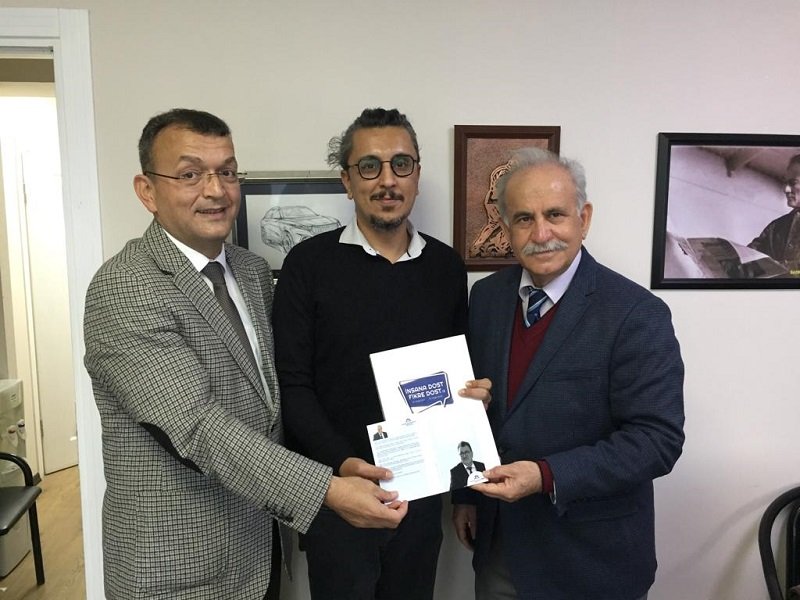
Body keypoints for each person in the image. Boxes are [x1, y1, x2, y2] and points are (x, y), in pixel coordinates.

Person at [83, 108, 409, 600]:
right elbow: (196, 426)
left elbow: (285, 388)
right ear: (147, 190)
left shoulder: (251, 271)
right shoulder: (125, 286)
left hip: (257, 550)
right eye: (190, 174)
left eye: (228, 172)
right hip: (177, 569)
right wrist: (327, 489)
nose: (215, 190)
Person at [454, 147, 685, 600]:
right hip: (501, 547)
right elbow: (479, 403)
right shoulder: (486, 298)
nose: (541, 234)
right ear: (505, 226)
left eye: (555, 215)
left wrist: (545, 475)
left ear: (584, 218)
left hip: (592, 560)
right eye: (524, 218)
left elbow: (657, 441)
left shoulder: (636, 313)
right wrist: (465, 495)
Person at [273, 107, 485, 600]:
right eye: (369, 166)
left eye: (400, 164)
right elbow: (293, 387)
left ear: (417, 176)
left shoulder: (445, 267)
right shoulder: (307, 265)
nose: (387, 180)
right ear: (347, 181)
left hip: (421, 497)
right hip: (337, 498)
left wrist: (465, 491)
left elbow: (459, 382)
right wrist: (344, 465)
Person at [748, 153, 800, 276]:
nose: (786, 189)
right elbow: (750, 257)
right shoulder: (776, 227)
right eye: (785, 182)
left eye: (793, 182)